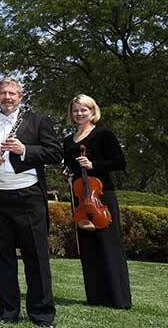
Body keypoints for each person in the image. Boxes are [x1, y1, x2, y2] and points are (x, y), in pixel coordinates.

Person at [0, 78, 61, 328]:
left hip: (28, 196)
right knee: (2, 257)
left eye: (12, 93)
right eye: (2, 93)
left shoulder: (37, 121)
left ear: (21, 96)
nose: (7, 97)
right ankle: (8, 311)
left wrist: (24, 150)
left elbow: (54, 152)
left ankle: (41, 314)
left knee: (36, 257)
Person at [62, 94, 131, 309]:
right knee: (89, 248)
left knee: (109, 247)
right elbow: (71, 166)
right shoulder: (67, 140)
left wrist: (94, 165)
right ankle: (96, 298)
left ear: (93, 112)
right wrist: (68, 171)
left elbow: (119, 162)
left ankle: (119, 299)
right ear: (71, 114)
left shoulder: (104, 135)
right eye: (76, 110)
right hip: (80, 197)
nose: (79, 114)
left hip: (101, 196)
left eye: (84, 110)